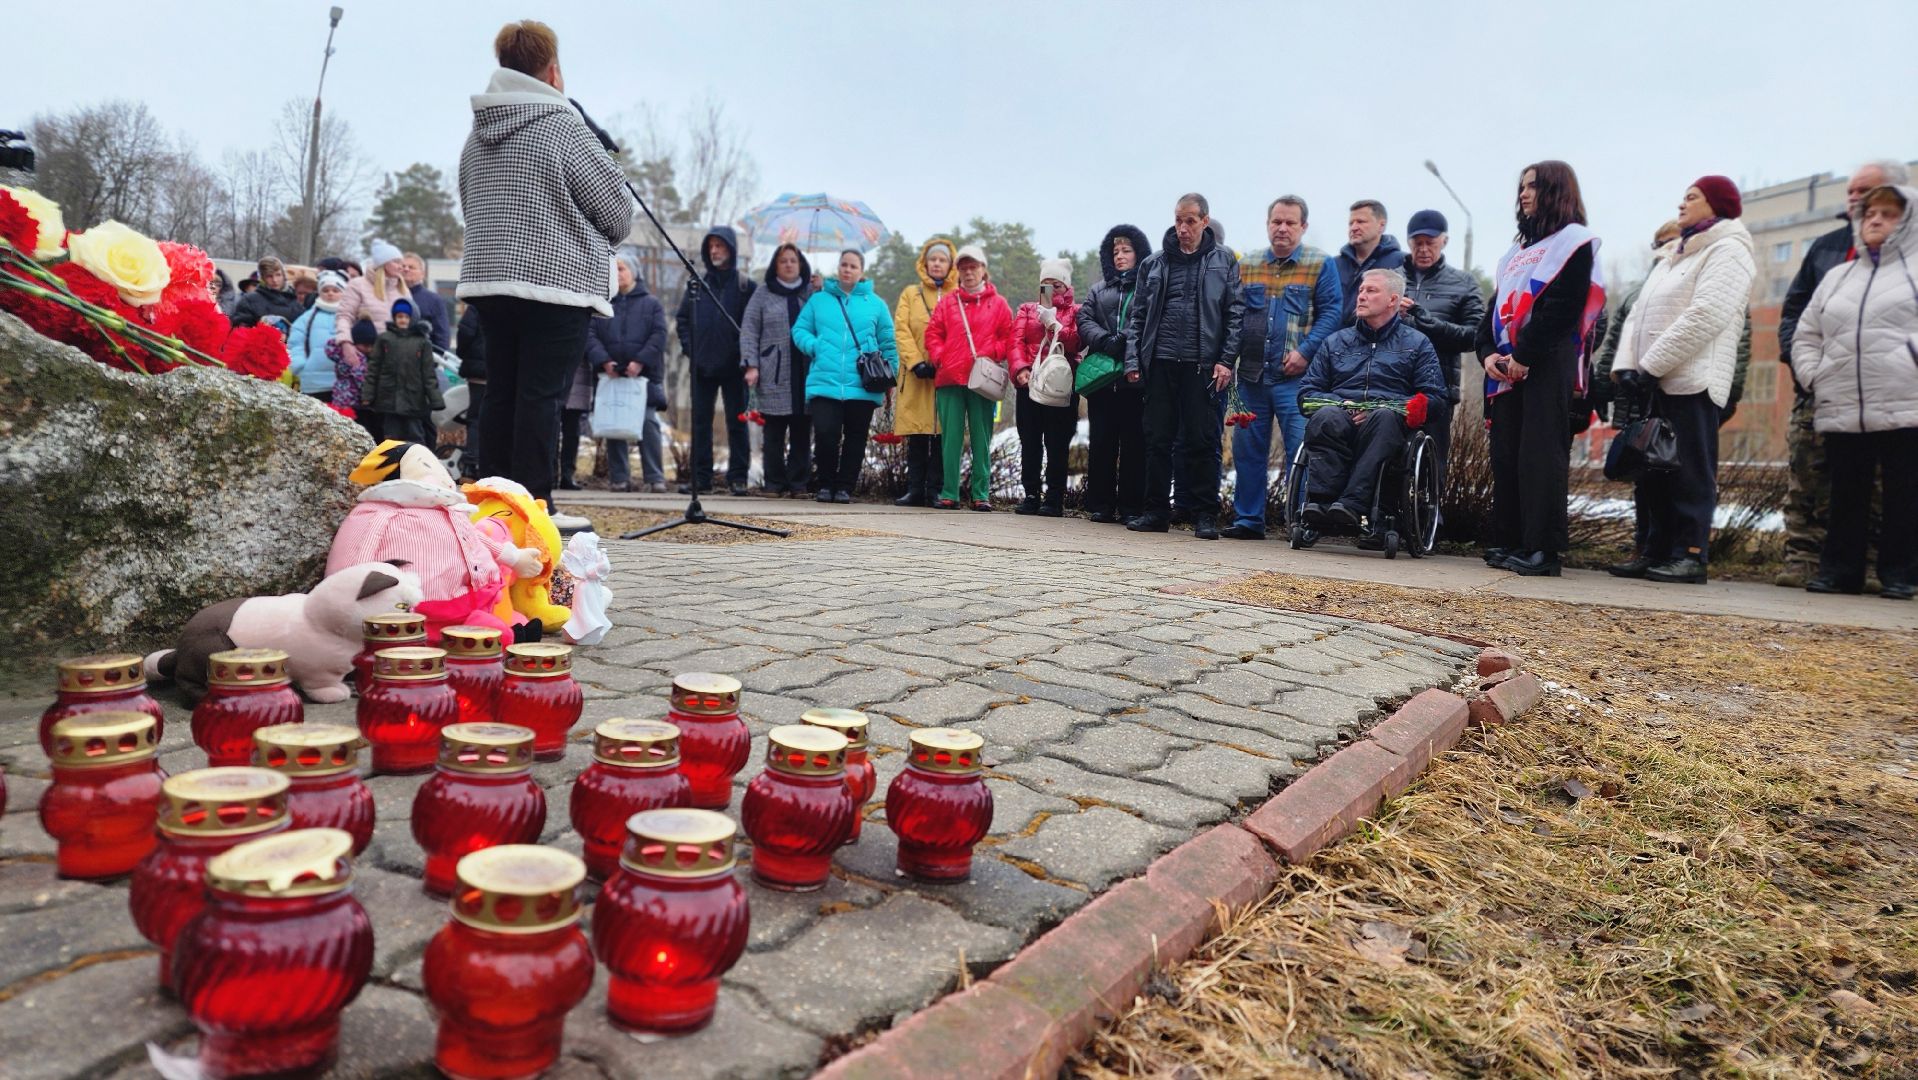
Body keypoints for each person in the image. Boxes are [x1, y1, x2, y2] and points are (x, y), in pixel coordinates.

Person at [457, 19, 637, 507]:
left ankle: (493, 501)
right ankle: (534, 504)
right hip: (554, 284)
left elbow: (470, 204)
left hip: (490, 282)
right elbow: (617, 216)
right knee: (540, 397)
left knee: (500, 392)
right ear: (552, 71)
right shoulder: (564, 127)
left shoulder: (477, 134)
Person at [1607, 177, 1756, 585]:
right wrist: (1627, 369)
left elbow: (1705, 314)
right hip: (1654, 380)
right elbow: (1637, 315)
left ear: (1717, 205)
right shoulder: (1674, 254)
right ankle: (1655, 550)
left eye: (1692, 197)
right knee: (1653, 469)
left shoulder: (1729, 250)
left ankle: (1689, 555)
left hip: (1693, 380)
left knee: (1690, 471)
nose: (1681, 204)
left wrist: (1650, 366)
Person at [1775, 159, 1911, 587]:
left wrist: (1908, 363)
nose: (1871, 216)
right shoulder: (1836, 267)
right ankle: (1836, 570)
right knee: (1842, 488)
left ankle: (1897, 575)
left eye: (1885, 212)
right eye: (1868, 210)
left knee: (1901, 490)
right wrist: (1812, 373)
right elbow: (1803, 325)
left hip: (1903, 398)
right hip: (1840, 397)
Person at [1475, 161, 1605, 577]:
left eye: (1532, 186)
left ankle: (1542, 549)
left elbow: (1564, 308)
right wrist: (1487, 354)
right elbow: (1493, 312)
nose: (1523, 194)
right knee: (1507, 455)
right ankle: (1512, 539)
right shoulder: (1516, 254)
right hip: (1506, 370)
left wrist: (1524, 355)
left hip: (1546, 362)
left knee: (1540, 455)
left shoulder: (1574, 243)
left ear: (1555, 191)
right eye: (1521, 187)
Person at [1121, 193, 1244, 539]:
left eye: (1190, 220)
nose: (1183, 227)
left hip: (1202, 367)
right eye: (1178, 220)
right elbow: (1137, 317)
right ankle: (1156, 512)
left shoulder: (1224, 261)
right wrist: (1133, 360)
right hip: (1160, 364)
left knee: (1203, 441)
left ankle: (1205, 515)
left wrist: (1226, 361)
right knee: (1157, 440)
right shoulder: (1154, 264)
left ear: (1205, 221)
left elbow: (1235, 314)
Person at [1226, 195, 1342, 539]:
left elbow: (1332, 313)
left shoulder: (1320, 264)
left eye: (1290, 223)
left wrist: (1306, 352)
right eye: (1276, 221)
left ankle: (1301, 522)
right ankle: (1248, 521)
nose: (1282, 228)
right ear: (1267, 224)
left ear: (1303, 227)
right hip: (1251, 376)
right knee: (1247, 453)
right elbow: (1233, 315)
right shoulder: (1248, 264)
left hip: (1297, 380)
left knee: (1300, 452)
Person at [1296, 268, 1448, 527]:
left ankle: (1353, 504)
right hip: (1340, 418)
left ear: (1393, 300)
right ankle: (1321, 503)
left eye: (1371, 290)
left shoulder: (1418, 343)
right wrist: (1341, 405)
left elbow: (1434, 399)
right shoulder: (1335, 342)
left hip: (1387, 425)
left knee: (1383, 418)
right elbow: (1307, 395)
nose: (1361, 296)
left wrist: (1382, 407)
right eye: (1361, 290)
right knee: (1326, 416)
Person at [791, 250, 898, 503]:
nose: (847, 269)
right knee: (825, 435)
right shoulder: (819, 300)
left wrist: (891, 374)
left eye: (853, 266)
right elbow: (799, 329)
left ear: (862, 271)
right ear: (838, 267)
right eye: (844, 265)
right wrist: (814, 346)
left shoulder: (876, 304)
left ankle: (844, 488)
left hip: (863, 384)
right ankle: (825, 484)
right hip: (824, 381)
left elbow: (888, 342)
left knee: (856, 438)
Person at [1397, 210, 1486, 483]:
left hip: (1437, 389)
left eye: (1430, 243)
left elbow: (1477, 335)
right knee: (1388, 462)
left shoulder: (1463, 283)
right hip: (1389, 386)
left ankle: (1431, 510)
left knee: (1431, 468)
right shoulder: (1390, 279)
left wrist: (1431, 324)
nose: (1423, 249)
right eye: (1418, 243)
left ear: (1444, 241)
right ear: (1409, 243)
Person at [924, 245, 1014, 511]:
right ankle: (949, 493)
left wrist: (991, 353)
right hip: (950, 378)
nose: (968, 272)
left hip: (983, 380)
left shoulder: (999, 304)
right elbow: (933, 333)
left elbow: (1008, 337)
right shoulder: (947, 303)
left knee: (981, 438)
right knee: (950, 439)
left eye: (973, 267)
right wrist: (941, 356)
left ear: (984, 269)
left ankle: (980, 494)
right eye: (963, 268)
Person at [1079, 225, 1152, 524]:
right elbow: (1084, 319)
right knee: (1101, 442)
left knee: (1135, 444)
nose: (1120, 256)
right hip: (1102, 380)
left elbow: (1149, 320)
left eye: (1126, 250)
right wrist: (1104, 339)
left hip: (1134, 380)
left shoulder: (1148, 287)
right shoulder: (1098, 290)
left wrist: (1125, 339)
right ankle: (1102, 504)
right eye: (1115, 252)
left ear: (1139, 253)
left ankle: (1132, 506)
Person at [676, 226, 755, 495]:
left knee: (737, 423)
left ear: (731, 249)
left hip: (735, 366)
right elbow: (682, 319)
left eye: (719, 246)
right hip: (702, 366)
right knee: (700, 423)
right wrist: (691, 349)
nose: (714, 251)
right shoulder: (697, 285)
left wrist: (745, 356)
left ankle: (738, 478)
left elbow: (754, 325)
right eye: (710, 246)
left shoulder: (746, 286)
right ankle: (701, 479)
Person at [583, 249, 668, 493]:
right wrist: (604, 361)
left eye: (622, 268)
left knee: (648, 423)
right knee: (614, 425)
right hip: (610, 376)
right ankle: (619, 478)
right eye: (614, 269)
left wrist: (640, 361)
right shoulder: (603, 304)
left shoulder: (651, 304)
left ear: (634, 272)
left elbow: (659, 335)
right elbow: (590, 334)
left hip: (643, 378)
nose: (617, 273)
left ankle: (654, 478)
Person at [1009, 258, 1083, 516]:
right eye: (1045, 284)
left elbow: (1077, 342)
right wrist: (1020, 369)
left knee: (1057, 443)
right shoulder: (1027, 309)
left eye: (1056, 284)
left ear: (1066, 286)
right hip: (1029, 384)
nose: (1051, 289)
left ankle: (1054, 498)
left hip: (1061, 385)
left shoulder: (1076, 311)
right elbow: (1015, 341)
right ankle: (1030, 494)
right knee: (1030, 441)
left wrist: (1054, 325)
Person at [741, 243, 815, 496]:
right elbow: (749, 330)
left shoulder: (811, 292)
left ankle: (798, 483)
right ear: (775, 265)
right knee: (773, 431)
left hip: (806, 371)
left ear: (800, 264)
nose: (789, 265)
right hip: (774, 370)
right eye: (783, 261)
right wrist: (751, 364)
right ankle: (774, 483)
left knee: (802, 431)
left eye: (793, 260)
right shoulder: (763, 293)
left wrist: (822, 287)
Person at [891, 238, 958, 506]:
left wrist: (946, 362)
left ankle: (936, 490)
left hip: (947, 375)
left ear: (950, 264)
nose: (937, 264)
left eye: (942, 260)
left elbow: (961, 331)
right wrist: (916, 362)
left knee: (943, 434)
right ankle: (915, 489)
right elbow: (902, 329)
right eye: (933, 259)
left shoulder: (958, 294)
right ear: (925, 263)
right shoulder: (911, 293)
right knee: (917, 435)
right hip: (916, 375)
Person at [362, 299, 441, 446]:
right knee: (391, 436)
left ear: (413, 318)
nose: (403, 320)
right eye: (399, 316)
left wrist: (435, 399)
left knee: (415, 435)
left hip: (414, 399)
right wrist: (368, 395)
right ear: (394, 318)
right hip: (389, 398)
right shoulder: (385, 339)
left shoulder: (422, 342)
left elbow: (428, 373)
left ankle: (416, 459)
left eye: (406, 317)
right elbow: (373, 369)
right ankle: (393, 460)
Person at [1335, 200, 1405, 327]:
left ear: (1381, 225)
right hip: (1334, 337)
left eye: (1361, 222)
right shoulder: (1334, 264)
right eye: (1351, 223)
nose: (1354, 228)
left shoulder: (1401, 262)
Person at [288, 270, 347, 402]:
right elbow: (296, 344)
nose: (330, 293)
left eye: (335, 290)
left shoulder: (351, 317)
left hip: (344, 382)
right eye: (325, 290)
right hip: (313, 382)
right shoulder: (307, 318)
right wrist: (300, 366)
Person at [335, 241, 412, 342]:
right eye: (396, 262)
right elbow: (344, 316)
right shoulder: (357, 285)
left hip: (396, 348)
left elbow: (411, 320)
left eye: (401, 263)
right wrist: (345, 342)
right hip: (365, 347)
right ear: (383, 263)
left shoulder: (403, 289)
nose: (401, 267)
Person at [455, 301, 487, 481]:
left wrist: (465, 354)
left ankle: (471, 463)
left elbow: (465, 333)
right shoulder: (506, 303)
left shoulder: (476, 306)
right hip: (501, 371)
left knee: (475, 418)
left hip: (478, 372)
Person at [231, 256, 303, 328]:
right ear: (262, 278)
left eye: (278, 275)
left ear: (284, 275)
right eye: (269, 276)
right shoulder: (249, 300)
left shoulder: (297, 299)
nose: (275, 280)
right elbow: (241, 328)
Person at [402, 252, 451, 352]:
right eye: (403, 266)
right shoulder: (389, 295)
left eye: (411, 267)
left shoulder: (434, 300)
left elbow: (442, 336)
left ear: (422, 274)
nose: (406, 269)